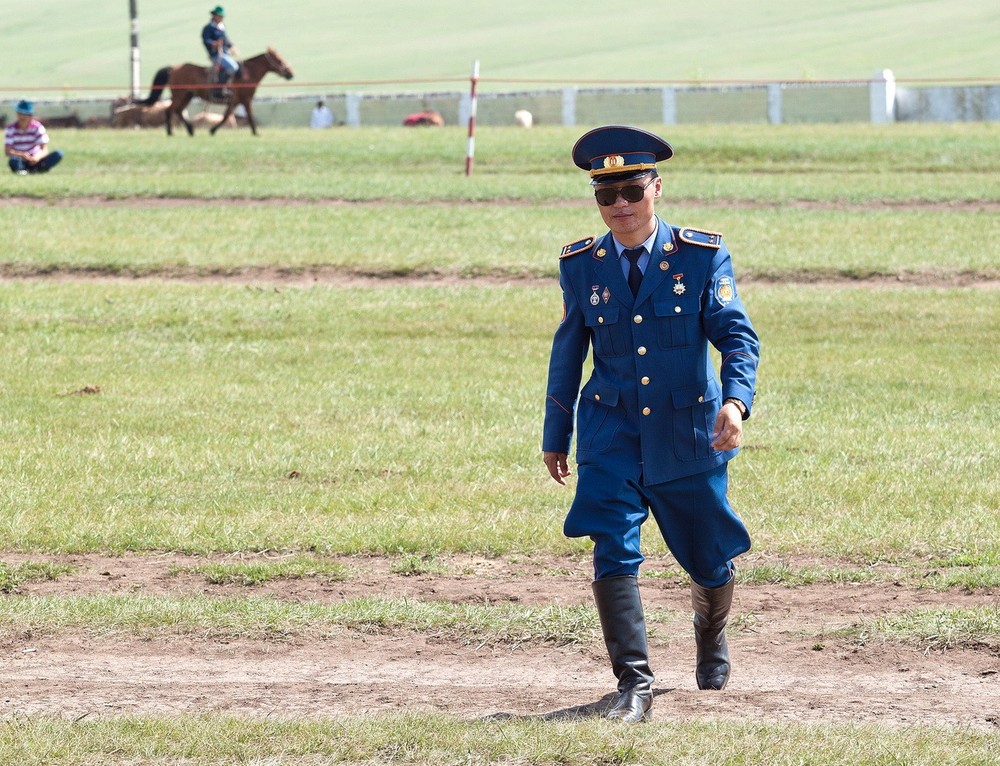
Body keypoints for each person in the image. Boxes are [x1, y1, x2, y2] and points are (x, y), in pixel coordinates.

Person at [542, 125, 760, 723]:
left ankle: (710, 633)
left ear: (656, 189)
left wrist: (735, 404)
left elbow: (737, 338)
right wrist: (556, 435)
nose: (620, 205)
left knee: (708, 555)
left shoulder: (701, 256)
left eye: (631, 191)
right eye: (605, 195)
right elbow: (568, 353)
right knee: (612, 543)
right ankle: (633, 683)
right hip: (610, 432)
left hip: (688, 433)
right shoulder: (581, 266)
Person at [5, 100, 63, 175]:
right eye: (20, 113)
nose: (22, 116)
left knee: (58, 154)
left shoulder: (37, 127)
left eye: (25, 114)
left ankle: (37, 169)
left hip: (36, 158)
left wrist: (37, 157)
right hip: (20, 159)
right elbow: (8, 151)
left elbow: (45, 149)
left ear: (30, 116)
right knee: (13, 160)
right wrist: (22, 155)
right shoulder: (11, 128)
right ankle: (29, 169)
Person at [201, 6, 239, 95]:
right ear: (214, 16)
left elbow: (225, 40)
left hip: (224, 53)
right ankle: (221, 88)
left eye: (222, 17)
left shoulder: (222, 27)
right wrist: (214, 44)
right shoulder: (208, 28)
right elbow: (206, 40)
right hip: (216, 55)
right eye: (220, 16)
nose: (221, 18)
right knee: (233, 67)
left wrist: (232, 47)